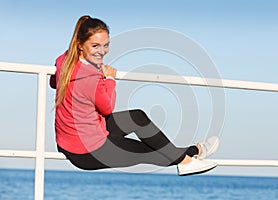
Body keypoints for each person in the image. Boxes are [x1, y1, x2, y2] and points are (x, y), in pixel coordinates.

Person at [50, 15, 220, 176]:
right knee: (149, 151)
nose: (102, 52)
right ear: (80, 44)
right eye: (95, 46)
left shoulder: (63, 60)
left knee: (137, 117)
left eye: (106, 45)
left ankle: (192, 155)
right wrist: (109, 79)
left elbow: (53, 82)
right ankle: (191, 156)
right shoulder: (90, 77)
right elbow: (107, 107)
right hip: (87, 152)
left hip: (73, 138)